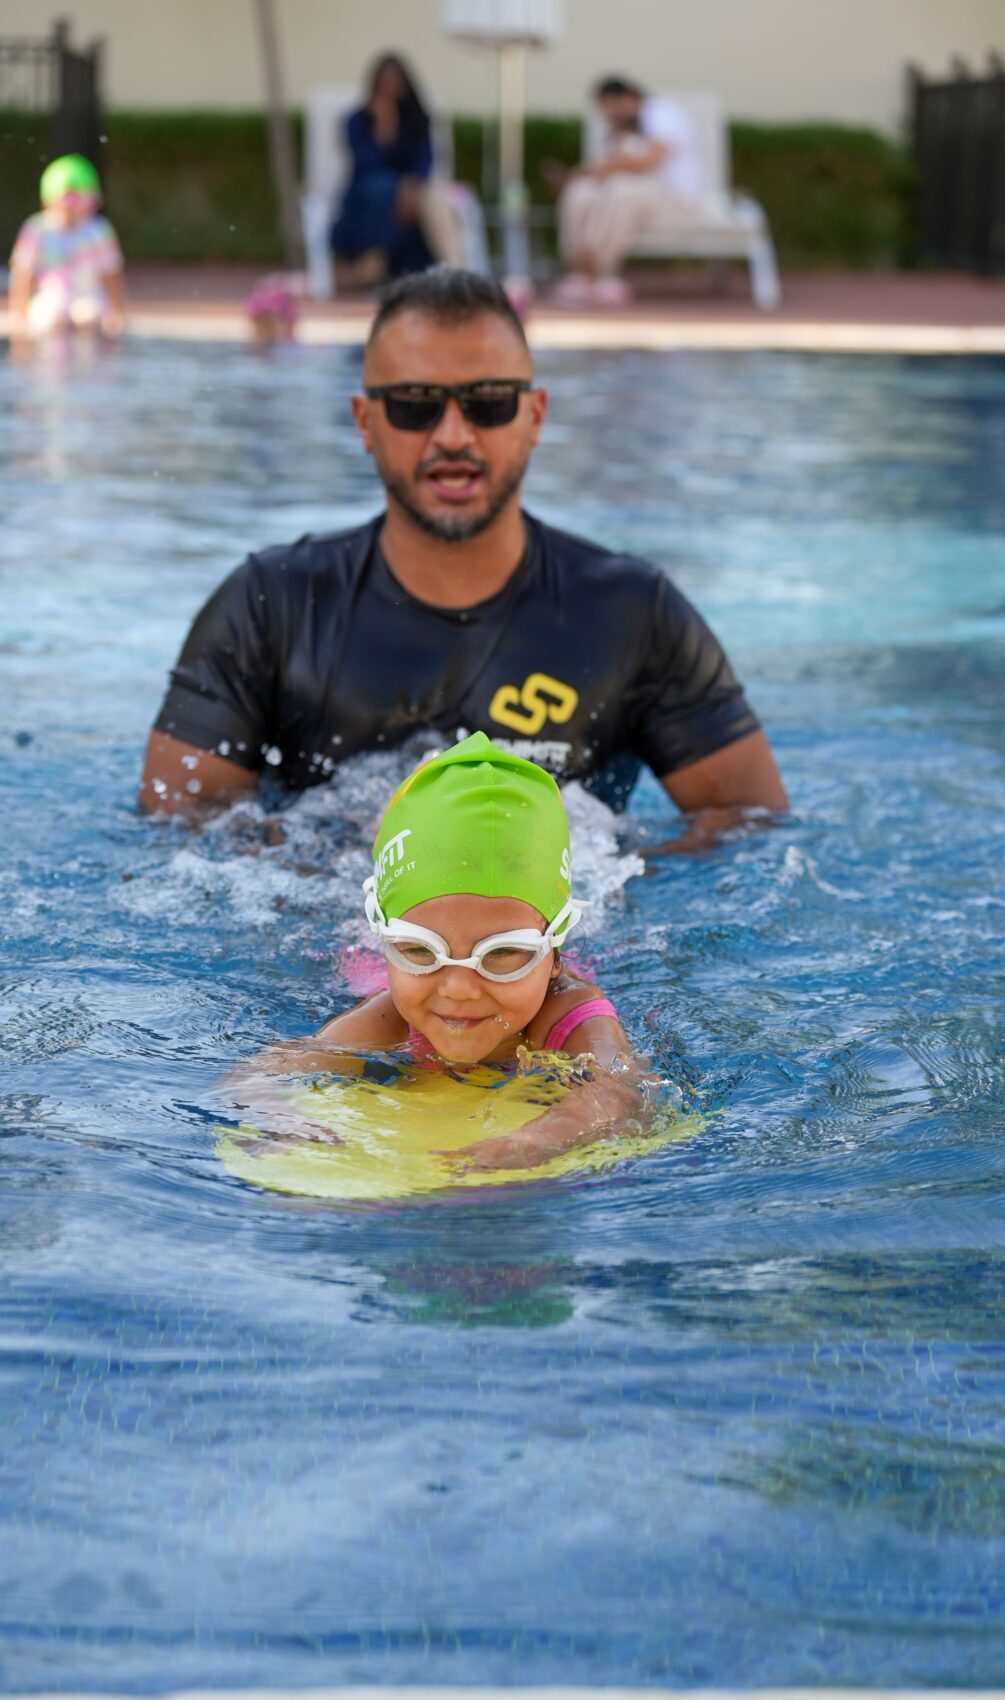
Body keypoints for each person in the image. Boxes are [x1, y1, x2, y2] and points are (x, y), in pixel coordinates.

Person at [140, 265, 787, 848]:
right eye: (414, 406)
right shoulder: (270, 606)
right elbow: (183, 821)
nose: (453, 436)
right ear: (364, 422)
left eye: (488, 403)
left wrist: (586, 902)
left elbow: (747, 820)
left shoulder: (633, 614)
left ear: (535, 416)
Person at [222, 731, 658, 1174]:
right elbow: (255, 1075)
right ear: (387, 942)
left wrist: (529, 1143)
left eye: (503, 954)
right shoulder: (393, 1014)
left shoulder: (570, 1013)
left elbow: (617, 1094)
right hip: (358, 969)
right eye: (418, 949)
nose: (458, 988)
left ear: (556, 956)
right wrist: (287, 1121)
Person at [553, 76, 704, 305]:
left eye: (610, 106)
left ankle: (598, 273)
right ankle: (578, 271)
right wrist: (579, 176)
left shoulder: (662, 114)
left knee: (621, 190)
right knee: (580, 192)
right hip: (639, 194)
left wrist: (600, 168)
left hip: (674, 198)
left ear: (629, 98)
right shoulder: (624, 127)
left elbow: (647, 162)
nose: (608, 114)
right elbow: (610, 167)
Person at [330, 54, 466, 287]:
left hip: (412, 196)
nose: (390, 89)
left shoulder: (418, 119)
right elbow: (365, 163)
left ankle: (456, 272)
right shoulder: (357, 121)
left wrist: (409, 186)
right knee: (383, 190)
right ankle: (372, 263)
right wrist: (384, 127)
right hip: (368, 201)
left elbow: (425, 162)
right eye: (385, 83)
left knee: (432, 198)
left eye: (396, 83)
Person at [8, 154, 126, 339]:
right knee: (52, 321)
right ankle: (53, 358)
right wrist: (19, 317)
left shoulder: (98, 230)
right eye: (66, 203)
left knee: (89, 317)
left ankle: (88, 358)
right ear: (49, 201)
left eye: (78, 203)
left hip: (89, 296)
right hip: (51, 298)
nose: (71, 211)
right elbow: (23, 274)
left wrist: (118, 313)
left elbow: (112, 273)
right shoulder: (38, 230)